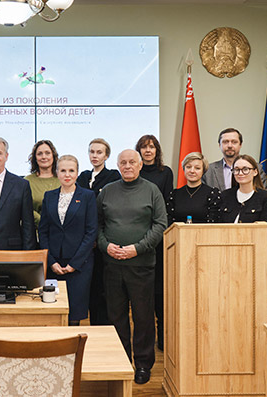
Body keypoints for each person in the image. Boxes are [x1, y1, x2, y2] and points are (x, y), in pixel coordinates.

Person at [97, 149, 167, 385]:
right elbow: (97, 226)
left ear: (140, 165)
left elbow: (160, 224)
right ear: (118, 165)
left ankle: (143, 365)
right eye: (123, 162)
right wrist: (106, 246)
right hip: (112, 265)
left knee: (143, 317)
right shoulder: (107, 191)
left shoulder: (151, 190)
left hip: (141, 265)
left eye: (131, 162)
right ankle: (121, 360)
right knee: (116, 317)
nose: (127, 166)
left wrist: (138, 248)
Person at [39, 155, 97, 326]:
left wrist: (74, 264)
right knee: (53, 309)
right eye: (63, 170)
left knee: (74, 314)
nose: (67, 174)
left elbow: (91, 232)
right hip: (54, 264)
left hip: (79, 264)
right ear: (57, 173)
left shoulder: (87, 196)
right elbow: (43, 231)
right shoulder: (49, 196)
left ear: (77, 173)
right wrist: (51, 262)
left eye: (71, 170)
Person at [78, 138, 121, 326]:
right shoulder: (82, 176)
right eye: (92, 152)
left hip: (103, 239)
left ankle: (102, 328)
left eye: (99, 152)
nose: (95, 155)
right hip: (83, 240)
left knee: (102, 289)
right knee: (87, 288)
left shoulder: (113, 176)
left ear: (106, 155)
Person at [135, 134, 172, 351]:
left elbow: (165, 204)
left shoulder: (165, 172)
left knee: (159, 289)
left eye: (151, 147)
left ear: (157, 150)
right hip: (136, 235)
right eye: (144, 147)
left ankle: (162, 335)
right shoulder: (135, 172)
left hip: (157, 236)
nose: (148, 151)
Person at [203, 128, 267, 191]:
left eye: (234, 142)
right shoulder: (208, 170)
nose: (230, 145)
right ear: (220, 145)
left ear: (240, 145)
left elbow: (264, 194)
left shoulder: (256, 168)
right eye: (225, 142)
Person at [166, 152, 221, 224]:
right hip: (179, 231)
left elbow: (214, 223)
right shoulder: (174, 195)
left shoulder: (212, 194)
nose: (192, 171)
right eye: (188, 167)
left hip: (204, 231)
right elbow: (169, 223)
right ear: (184, 169)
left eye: (197, 168)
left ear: (203, 171)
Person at [219, 154, 267, 223]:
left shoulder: (265, 197)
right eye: (236, 170)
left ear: (255, 172)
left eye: (245, 169)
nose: (240, 173)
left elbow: (266, 226)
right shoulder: (225, 195)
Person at [24, 140, 61, 227]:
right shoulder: (27, 181)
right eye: (40, 154)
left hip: (60, 231)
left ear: (53, 156)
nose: (44, 157)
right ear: (35, 158)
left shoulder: (62, 180)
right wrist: (42, 222)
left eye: (47, 153)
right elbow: (24, 208)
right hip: (35, 231)